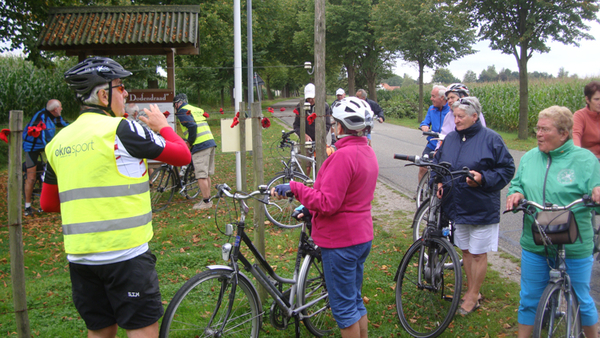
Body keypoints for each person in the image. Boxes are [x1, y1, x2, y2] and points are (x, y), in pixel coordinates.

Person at [40, 56, 191, 338]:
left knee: (99, 331)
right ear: (103, 94)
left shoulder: (57, 141)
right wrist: (163, 127)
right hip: (126, 255)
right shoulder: (121, 129)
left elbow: (47, 203)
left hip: (81, 259)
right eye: (121, 87)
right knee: (142, 329)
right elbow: (182, 156)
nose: (126, 93)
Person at [272, 96, 378, 338]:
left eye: (333, 125)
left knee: (343, 309)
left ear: (339, 127)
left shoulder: (342, 156)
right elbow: (348, 195)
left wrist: (295, 188)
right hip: (361, 236)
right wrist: (310, 208)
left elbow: (328, 203)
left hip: (341, 241)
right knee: (355, 301)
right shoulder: (367, 152)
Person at [506, 106, 600, 338]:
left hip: (575, 245)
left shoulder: (585, 160)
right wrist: (516, 194)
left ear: (563, 133)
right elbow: (517, 184)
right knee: (529, 299)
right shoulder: (529, 158)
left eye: (544, 129)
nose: (538, 133)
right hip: (536, 242)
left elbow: (596, 193)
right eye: (537, 128)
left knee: (581, 300)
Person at [433, 96, 515, 316]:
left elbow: (507, 169)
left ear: (474, 117)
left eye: (460, 117)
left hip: (480, 206)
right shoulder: (450, 138)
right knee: (467, 251)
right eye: (455, 116)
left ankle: (472, 296)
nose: (456, 120)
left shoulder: (492, 139)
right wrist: (439, 180)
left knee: (478, 253)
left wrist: (483, 178)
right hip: (457, 206)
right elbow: (438, 163)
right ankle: (472, 291)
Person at [22, 99, 68, 216]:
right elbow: (41, 136)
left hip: (45, 145)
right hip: (32, 147)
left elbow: (64, 124)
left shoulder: (55, 116)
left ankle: (44, 204)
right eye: (60, 107)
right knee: (31, 177)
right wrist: (50, 147)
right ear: (55, 109)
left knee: (48, 173)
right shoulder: (40, 117)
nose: (62, 109)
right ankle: (27, 207)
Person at [173, 93, 217, 210]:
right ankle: (208, 199)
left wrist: (189, 142)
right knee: (206, 174)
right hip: (209, 141)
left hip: (200, 144)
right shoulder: (195, 109)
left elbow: (192, 126)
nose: (175, 108)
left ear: (178, 103)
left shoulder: (182, 111)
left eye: (174, 105)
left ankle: (206, 202)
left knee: (201, 175)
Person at [418, 85, 450, 182]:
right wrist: (424, 126)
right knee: (423, 166)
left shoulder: (451, 110)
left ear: (442, 97)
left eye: (433, 96)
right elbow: (425, 121)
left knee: (442, 170)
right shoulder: (431, 109)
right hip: (432, 143)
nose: (431, 98)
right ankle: (420, 191)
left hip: (446, 145)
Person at [573, 80, 600, 159]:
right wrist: (578, 154)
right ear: (587, 100)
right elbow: (575, 135)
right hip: (588, 159)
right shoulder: (580, 116)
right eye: (596, 99)